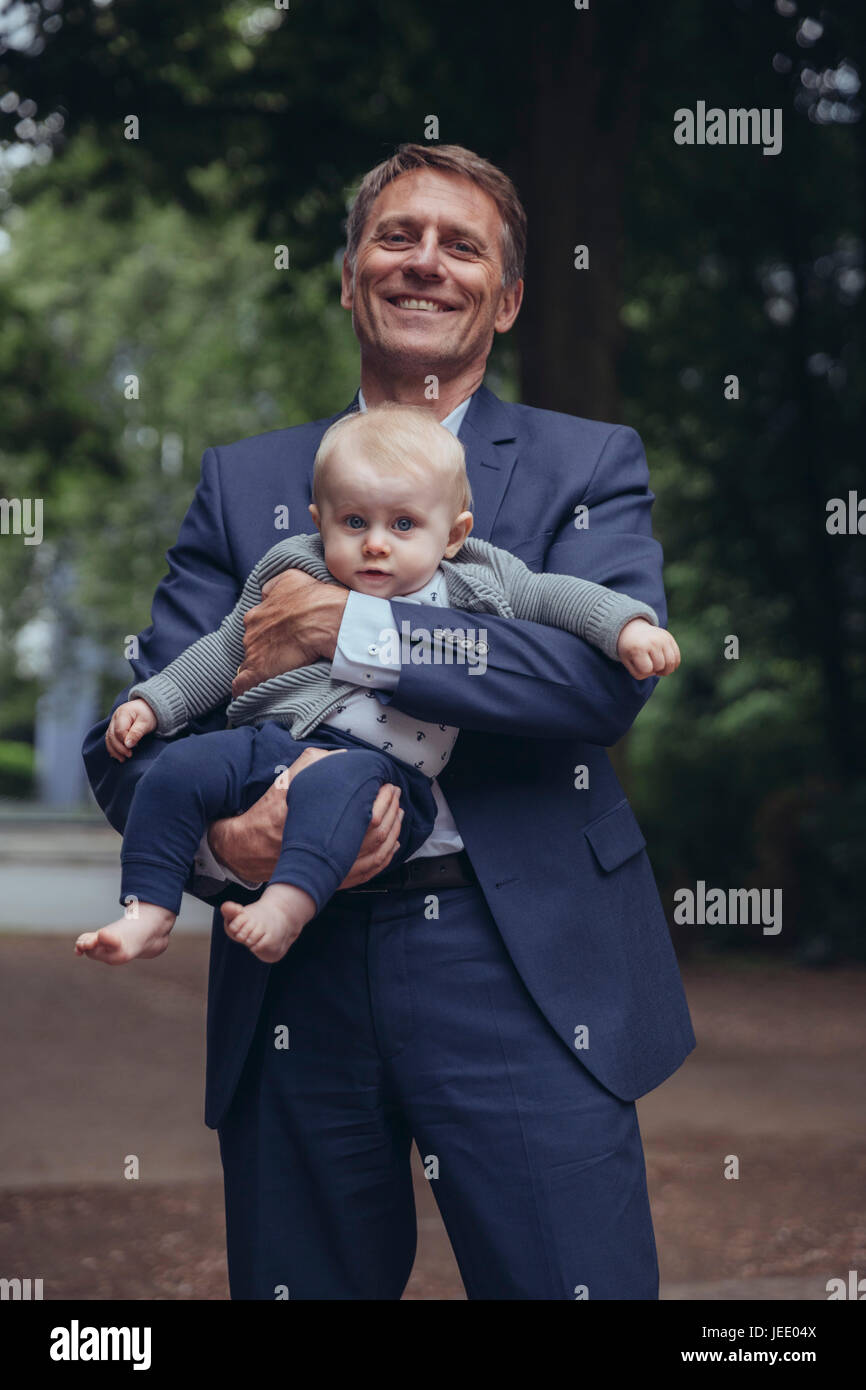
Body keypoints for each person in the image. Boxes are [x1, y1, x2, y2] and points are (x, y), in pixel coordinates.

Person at [82, 142, 697, 1300]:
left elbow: (593, 681)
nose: (425, 263)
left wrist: (343, 632)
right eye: (396, 237)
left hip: (521, 967)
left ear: (506, 297)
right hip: (292, 967)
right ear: (352, 274)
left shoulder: (585, 462)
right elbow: (133, 736)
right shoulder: (243, 482)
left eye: (461, 246)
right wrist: (224, 844)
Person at [75, 403, 678, 967]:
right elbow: (224, 649)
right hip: (270, 743)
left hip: (387, 772)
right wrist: (156, 703)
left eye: (404, 524)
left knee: (333, 786)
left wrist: (625, 626)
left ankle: (286, 907)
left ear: (453, 534)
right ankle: (149, 909)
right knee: (182, 769)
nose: (376, 543)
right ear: (320, 520)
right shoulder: (293, 562)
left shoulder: (476, 577)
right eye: (355, 521)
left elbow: (557, 600)